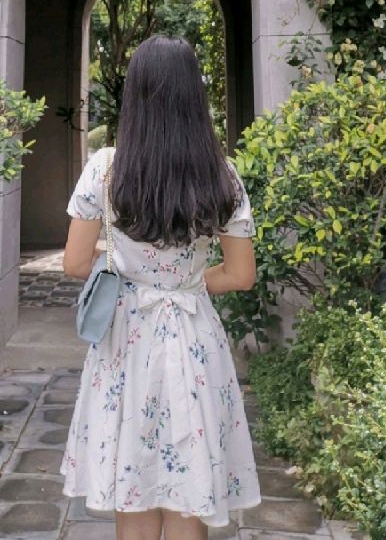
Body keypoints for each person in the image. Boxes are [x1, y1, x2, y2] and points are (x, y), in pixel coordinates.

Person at [59, 35, 262, 539]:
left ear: (135, 94)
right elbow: (240, 275)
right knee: (188, 490)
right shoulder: (223, 175)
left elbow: (74, 263)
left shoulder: (105, 169)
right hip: (195, 340)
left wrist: (129, 272)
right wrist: (185, 284)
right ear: (195, 95)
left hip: (125, 343)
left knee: (134, 486)